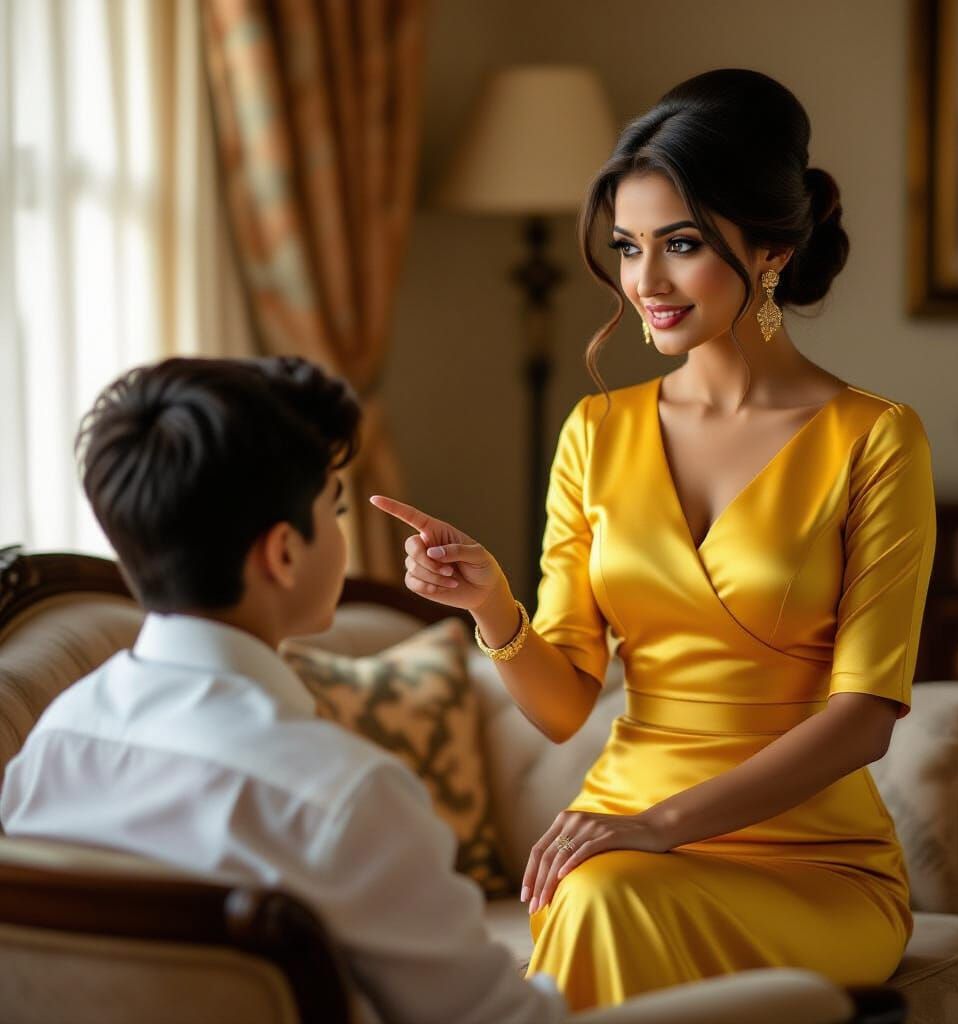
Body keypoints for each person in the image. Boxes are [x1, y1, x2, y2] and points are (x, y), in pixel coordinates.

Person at [369, 68, 937, 1011]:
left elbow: (865, 718)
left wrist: (661, 826)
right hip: (615, 840)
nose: (645, 283)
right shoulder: (594, 435)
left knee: (605, 902)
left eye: (680, 245)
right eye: (629, 248)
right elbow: (562, 708)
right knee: (600, 896)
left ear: (771, 251)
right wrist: (492, 607)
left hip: (814, 867)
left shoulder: (876, 439)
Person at [0, 356, 567, 1024]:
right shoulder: (344, 798)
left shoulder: (52, 745)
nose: (343, 532)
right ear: (284, 553)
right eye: (336, 509)